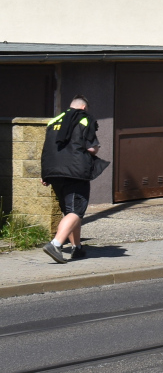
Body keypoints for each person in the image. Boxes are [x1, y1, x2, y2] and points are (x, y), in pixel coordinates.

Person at [40, 96, 104, 264]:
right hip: (75, 172)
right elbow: (91, 148)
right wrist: (95, 149)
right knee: (76, 211)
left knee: (70, 212)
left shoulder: (54, 120)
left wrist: (45, 173)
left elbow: (47, 148)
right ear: (83, 108)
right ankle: (56, 244)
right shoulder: (85, 119)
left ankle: (77, 247)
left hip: (54, 171)